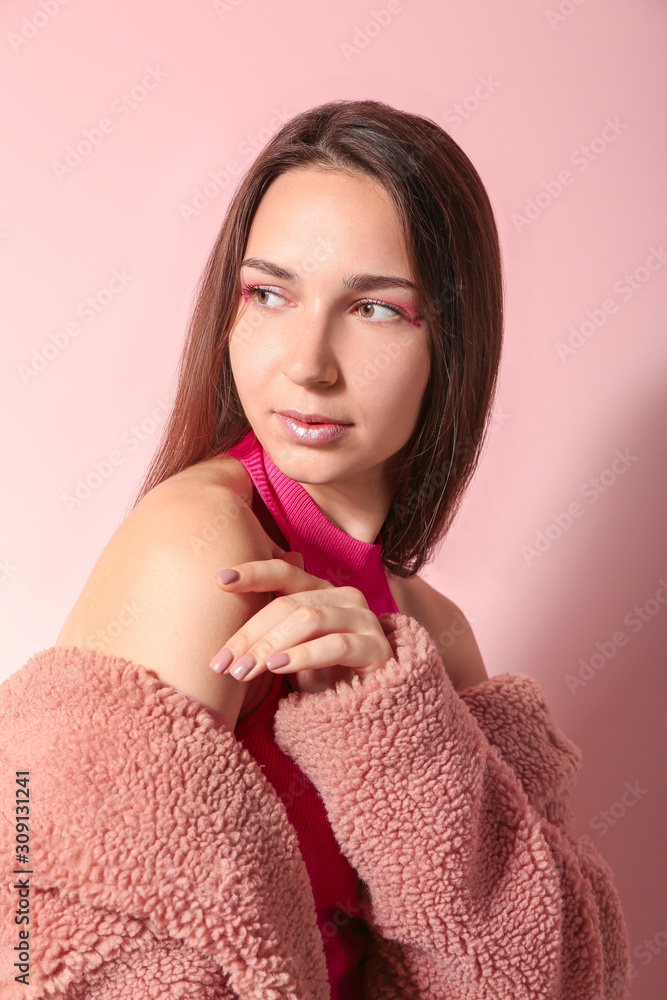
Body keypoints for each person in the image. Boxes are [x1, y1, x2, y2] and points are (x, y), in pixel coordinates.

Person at [0, 99, 630, 999]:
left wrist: (394, 728)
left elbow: (546, 976)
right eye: (269, 293)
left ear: (448, 345)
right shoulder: (203, 548)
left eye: (373, 307)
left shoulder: (425, 636)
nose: (307, 361)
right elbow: (38, 942)